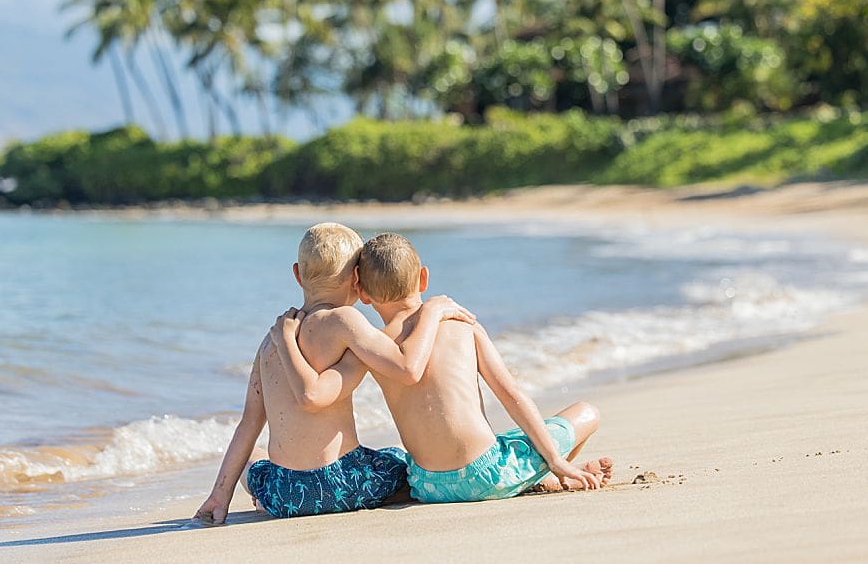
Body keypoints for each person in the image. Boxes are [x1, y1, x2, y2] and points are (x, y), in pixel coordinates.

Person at [274, 231, 611, 505]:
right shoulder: (461, 324)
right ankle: (553, 473)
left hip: (427, 485)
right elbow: (510, 392)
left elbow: (321, 390)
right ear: (423, 278)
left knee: (502, 441)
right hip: (485, 474)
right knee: (586, 412)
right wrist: (555, 457)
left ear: (361, 291)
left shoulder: (374, 348)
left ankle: (543, 476)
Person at [194, 223, 474, 524]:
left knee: (253, 460)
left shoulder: (271, 339)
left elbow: (249, 422)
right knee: (396, 460)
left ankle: (247, 495)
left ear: (298, 274)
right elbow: (405, 366)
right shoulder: (346, 320)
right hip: (344, 484)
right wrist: (432, 312)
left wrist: (219, 496)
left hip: (286, 495)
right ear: (357, 278)